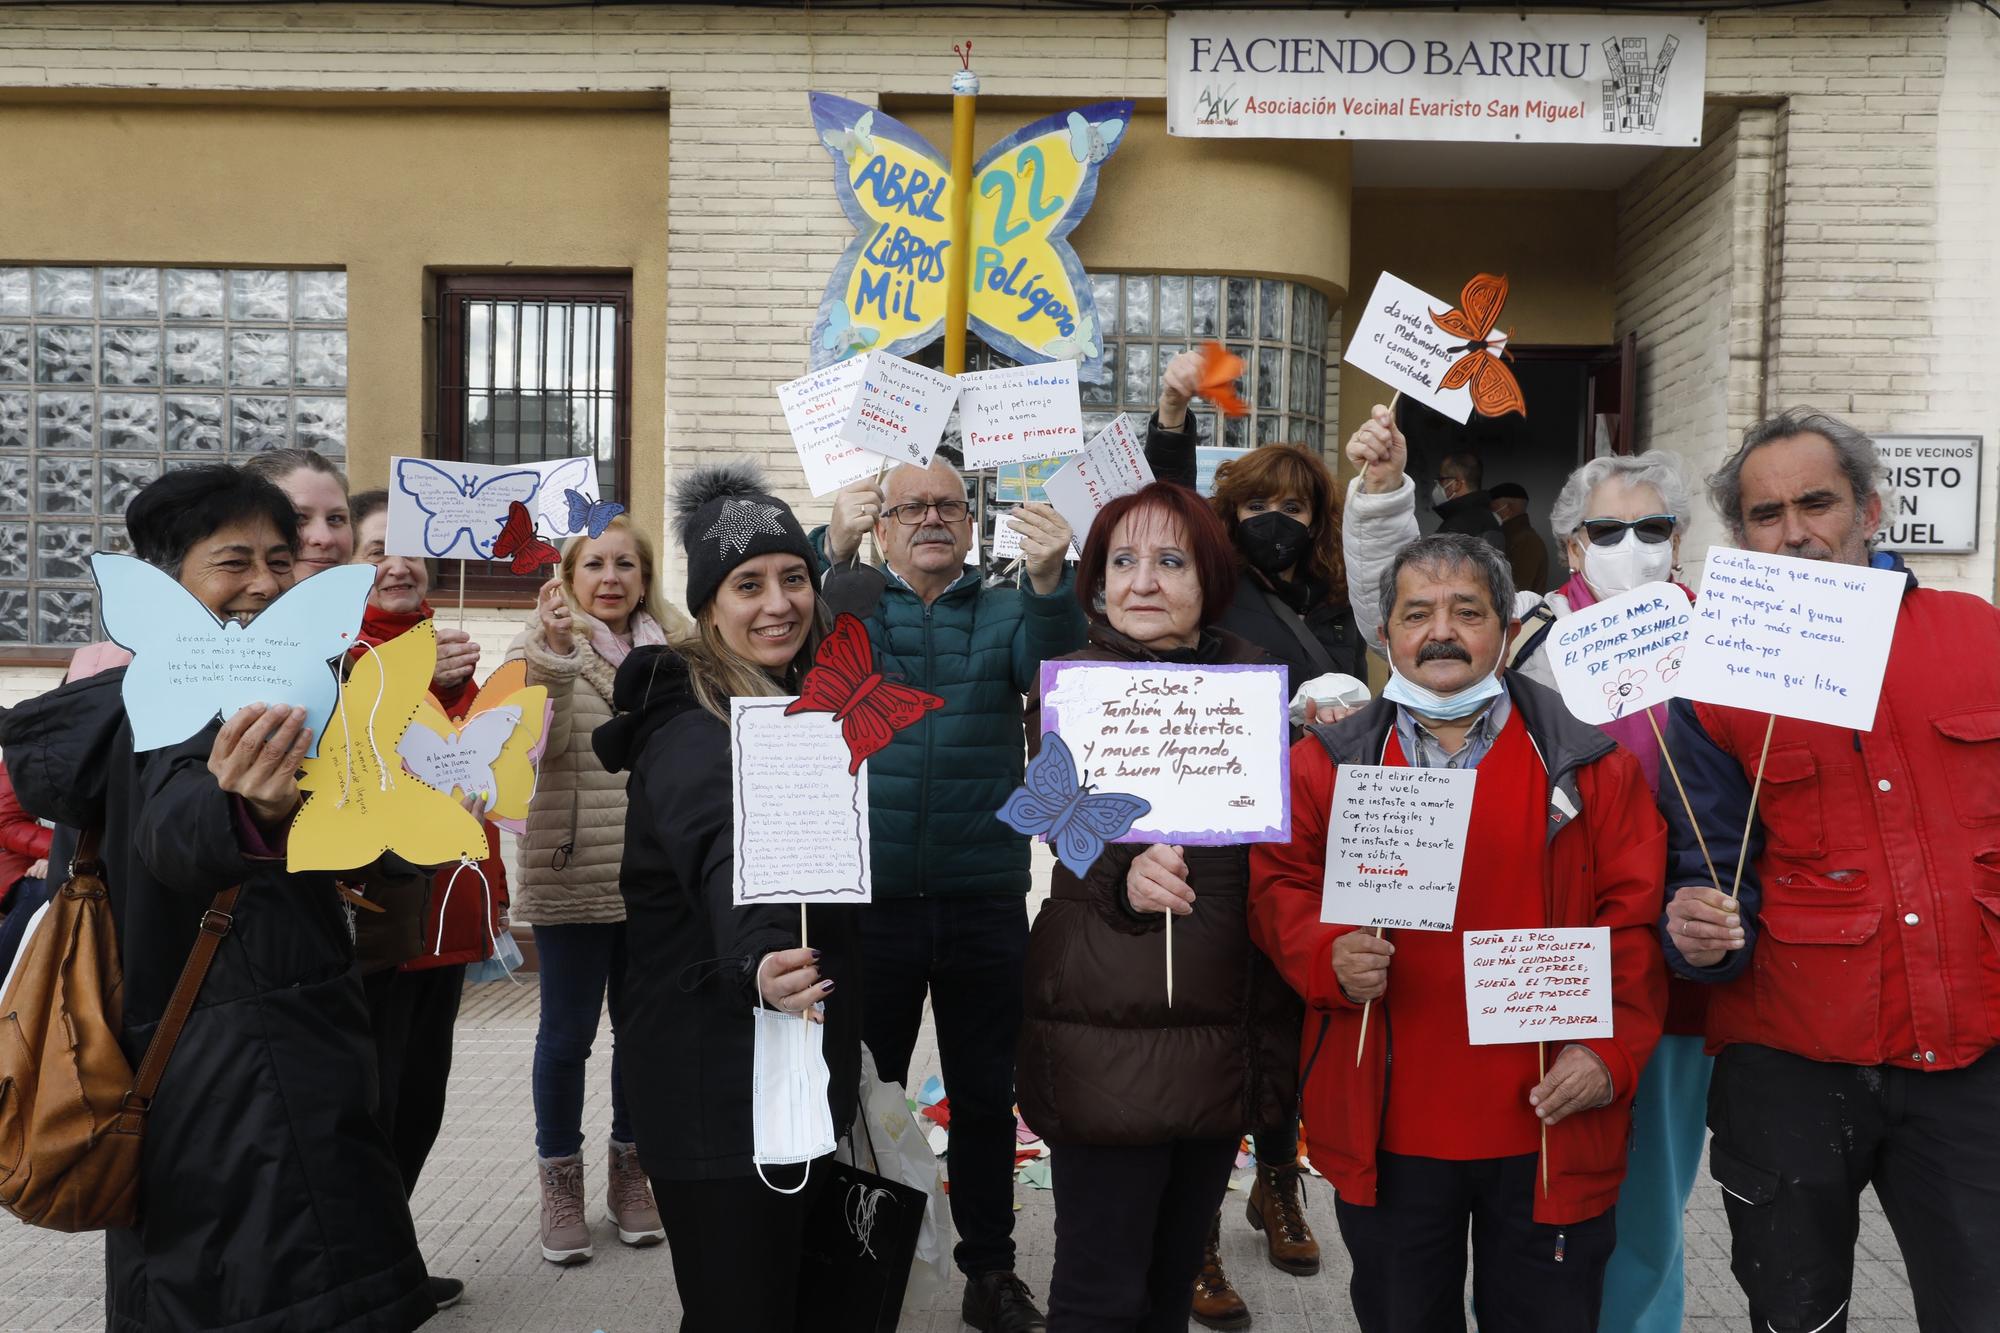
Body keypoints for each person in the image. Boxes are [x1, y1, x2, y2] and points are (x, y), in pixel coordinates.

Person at [0, 465, 432, 1332]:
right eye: (233, 562)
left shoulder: (287, 691)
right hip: (239, 1098)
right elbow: (174, 826)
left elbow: (359, 865)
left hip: (286, 1073)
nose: (266, 582)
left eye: (279, 558)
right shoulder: (168, 707)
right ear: (165, 584)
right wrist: (250, 805)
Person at [1248, 532, 1668, 1332]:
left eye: (1467, 611)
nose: (1441, 631)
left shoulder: (1590, 763)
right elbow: (1278, 889)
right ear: (1386, 634)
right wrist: (1325, 951)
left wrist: (1608, 1055)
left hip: (1550, 1113)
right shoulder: (1325, 765)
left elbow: (1635, 921)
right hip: (1390, 1119)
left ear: (1506, 630)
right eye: (1418, 613)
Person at [1346, 413, 1711, 1331]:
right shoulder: (1530, 630)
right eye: (1608, 530)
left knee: (1649, 1193)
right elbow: (1418, 620)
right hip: (1533, 956)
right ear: (1569, 542)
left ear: (1683, 537)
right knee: (1534, 1199)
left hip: (1686, 944)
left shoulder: (1726, 633)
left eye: (1655, 528)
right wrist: (1386, 492)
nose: (1634, 547)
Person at [1661, 409, 2000, 1333]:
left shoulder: (1981, 636)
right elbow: (1702, 869)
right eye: (1767, 514)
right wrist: (1693, 928)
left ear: (1872, 509)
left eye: (1818, 502)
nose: (1796, 530)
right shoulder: (1711, 678)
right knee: (1795, 1313)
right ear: (1742, 538)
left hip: (1972, 1055)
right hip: (1789, 1058)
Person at [1017, 481, 1300, 1333]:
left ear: (1209, 580)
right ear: (1096, 585)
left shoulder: (1257, 692)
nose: (1143, 581)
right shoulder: (1074, 691)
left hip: (1222, 1031)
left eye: (1170, 561)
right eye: (1122, 562)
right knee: (1100, 1291)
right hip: (1105, 1039)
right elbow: (1058, 818)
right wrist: (1121, 875)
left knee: (1173, 1280)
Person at [591, 462, 860, 1330]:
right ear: (709, 607)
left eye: (794, 578)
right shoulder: (694, 732)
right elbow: (723, 854)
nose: (778, 602)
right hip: (717, 1083)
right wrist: (756, 964)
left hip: (785, 1066)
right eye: (748, 585)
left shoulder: (796, 706)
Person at [818, 459, 1084, 1333]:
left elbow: (1056, 686)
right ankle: (868, 1262)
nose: (933, 518)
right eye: (911, 507)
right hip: (875, 901)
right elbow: (805, 660)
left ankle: (990, 1270)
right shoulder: (855, 604)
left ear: (971, 525)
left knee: (980, 1095)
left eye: (947, 505)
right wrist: (833, 551)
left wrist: (1049, 583)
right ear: (885, 526)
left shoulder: (1008, 609)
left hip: (981, 897)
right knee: (869, 1092)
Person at [1146, 354, 1339, 1323]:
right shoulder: (1214, 594)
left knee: (1283, 1030)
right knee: (1216, 1036)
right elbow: (1167, 499)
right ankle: (1196, 1240)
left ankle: (1278, 1183)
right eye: (1260, 503)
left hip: (1306, 844)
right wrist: (1175, 408)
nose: (1279, 520)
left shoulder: (1336, 610)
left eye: (1297, 508)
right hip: (1219, 839)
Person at [345, 490, 512, 1311]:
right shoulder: (339, 652)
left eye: (409, 548)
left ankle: (386, 1253)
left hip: (448, 908)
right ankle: (360, 1268)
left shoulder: (443, 647)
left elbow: (473, 776)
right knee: (370, 1100)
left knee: (420, 1098)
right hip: (380, 919)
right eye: (377, 548)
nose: (397, 563)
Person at [505, 511, 685, 1264]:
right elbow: (527, 731)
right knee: (565, 1039)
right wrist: (552, 650)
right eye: (594, 565)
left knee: (643, 1036)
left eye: (625, 564)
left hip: (653, 878)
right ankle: (560, 1186)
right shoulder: (539, 645)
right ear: (569, 577)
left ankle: (631, 1176)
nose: (610, 578)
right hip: (571, 867)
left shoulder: (679, 651)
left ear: (645, 577)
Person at [0, 756, 52, 975]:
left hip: (84, 856)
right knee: (42, 894)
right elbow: (6, 821)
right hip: (19, 860)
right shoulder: (34, 744)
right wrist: (60, 851)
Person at [1430, 450, 1505, 550]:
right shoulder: (1490, 520)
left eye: (1441, 479)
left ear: (1457, 484)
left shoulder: (1454, 529)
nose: (1438, 485)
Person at [1486, 481, 1551, 595]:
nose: (1489, 513)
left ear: (1508, 508)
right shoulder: (1514, 537)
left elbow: (1517, 590)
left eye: (1493, 508)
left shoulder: (1526, 541)